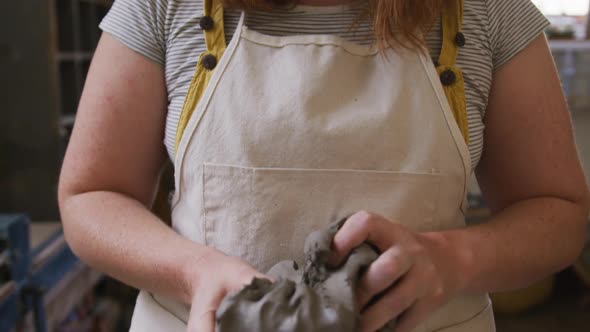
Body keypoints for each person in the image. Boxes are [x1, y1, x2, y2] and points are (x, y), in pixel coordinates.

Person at [57, 0, 590, 331]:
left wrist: (453, 259)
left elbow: (559, 213)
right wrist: (194, 274)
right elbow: (91, 195)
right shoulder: (163, 6)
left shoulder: (487, 12)